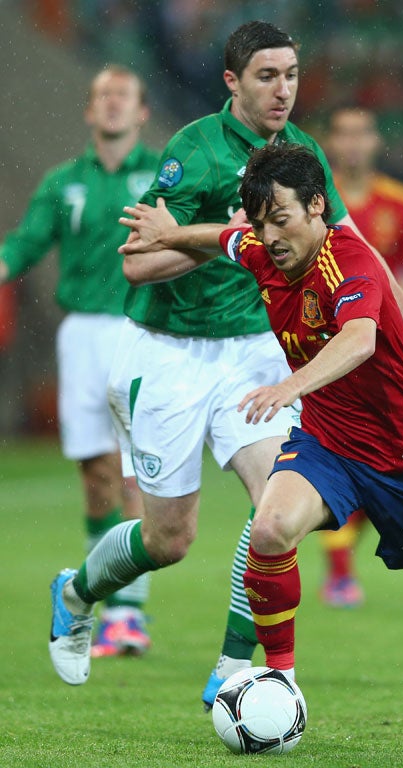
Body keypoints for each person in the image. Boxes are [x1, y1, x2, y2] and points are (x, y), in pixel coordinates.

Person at [46, 21, 403, 705]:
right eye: (267, 76)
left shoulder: (301, 153)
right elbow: (139, 264)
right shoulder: (194, 151)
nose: (283, 91)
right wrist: (232, 239)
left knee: (276, 505)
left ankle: (232, 668)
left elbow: (351, 240)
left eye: (291, 75)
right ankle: (75, 593)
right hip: (169, 351)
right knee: (168, 539)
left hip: (253, 352)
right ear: (232, 82)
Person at [117, 142, 403, 741]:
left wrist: (288, 386)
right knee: (270, 529)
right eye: (262, 222)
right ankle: (281, 681)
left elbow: (358, 341)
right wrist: (169, 233)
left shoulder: (348, 259)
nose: (271, 236)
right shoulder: (263, 251)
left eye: (282, 219)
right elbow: (223, 237)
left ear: (317, 206)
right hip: (328, 443)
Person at [2, 66, 156, 657]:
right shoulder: (63, 180)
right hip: (81, 335)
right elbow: (26, 243)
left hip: (139, 330)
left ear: (142, 112)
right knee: (95, 472)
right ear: (90, 111)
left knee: (134, 468)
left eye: (124, 95)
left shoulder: (163, 175)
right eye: (103, 96)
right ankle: (102, 598)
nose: (113, 103)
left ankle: (129, 613)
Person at [315, 104, 403, 608]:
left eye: (361, 133)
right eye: (343, 133)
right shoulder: (313, 199)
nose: (352, 143)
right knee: (333, 449)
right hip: (327, 343)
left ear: (375, 142)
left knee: (391, 454)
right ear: (330, 142)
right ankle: (339, 571)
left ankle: (345, 560)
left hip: (387, 347)